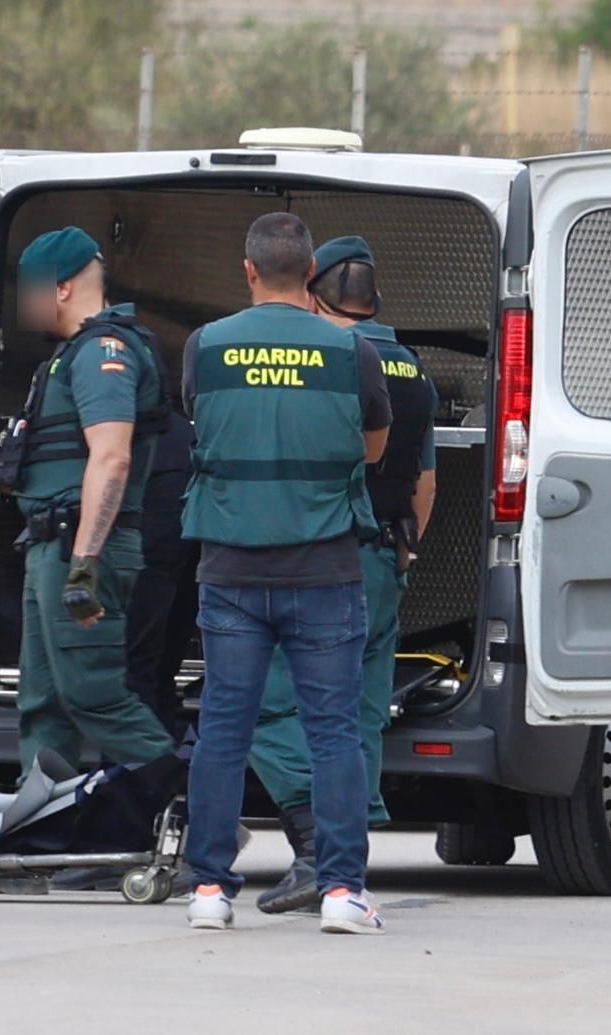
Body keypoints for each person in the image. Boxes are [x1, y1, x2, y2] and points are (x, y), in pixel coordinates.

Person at [180, 213, 392, 935]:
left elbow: (200, 424)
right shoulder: (350, 350)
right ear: (310, 276)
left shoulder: (203, 347)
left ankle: (208, 888)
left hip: (230, 569)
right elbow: (371, 447)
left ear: (246, 270)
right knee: (333, 730)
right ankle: (341, 892)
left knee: (222, 730)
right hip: (324, 569)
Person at [248, 236, 439, 913]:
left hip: (319, 556)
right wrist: (404, 554)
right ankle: (343, 863)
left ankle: (311, 846)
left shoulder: (323, 361)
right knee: (358, 711)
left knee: (271, 702)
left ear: (313, 290)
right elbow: (421, 482)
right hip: (385, 557)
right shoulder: (415, 369)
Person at [11, 226, 176, 776]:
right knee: (43, 708)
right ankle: (46, 837)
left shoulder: (105, 351)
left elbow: (112, 458)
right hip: (50, 546)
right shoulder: (67, 357)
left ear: (59, 288)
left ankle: (193, 820)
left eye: (28, 289)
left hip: (81, 551)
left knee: (95, 699)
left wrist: (84, 564)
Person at [125, 407, 199, 739]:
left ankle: (137, 777)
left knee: (136, 665)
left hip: (153, 501)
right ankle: (152, 773)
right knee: (157, 664)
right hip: (180, 484)